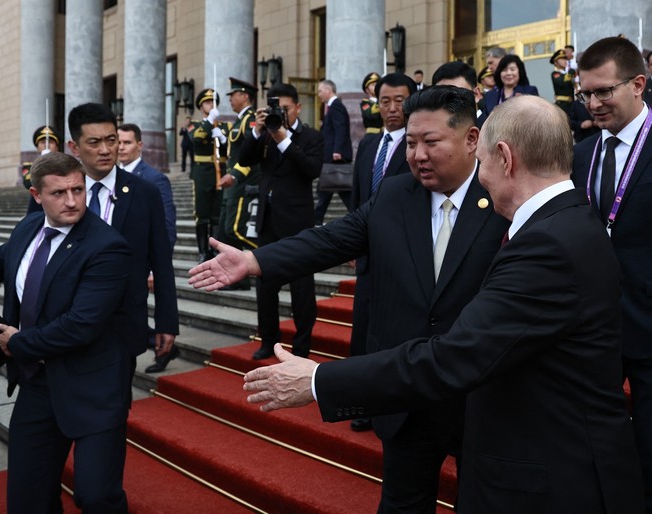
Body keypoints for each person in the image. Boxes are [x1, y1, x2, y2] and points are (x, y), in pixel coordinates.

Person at [232, 95, 644, 514]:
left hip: (546, 470)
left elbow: (458, 353)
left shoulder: (546, 243)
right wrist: (255, 260)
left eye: (482, 161)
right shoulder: (568, 222)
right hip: (481, 426)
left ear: (502, 157)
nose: (481, 175)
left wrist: (319, 380)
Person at [193, 87, 510, 512]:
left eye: (431, 142)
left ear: (472, 139)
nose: (417, 155)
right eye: (411, 143)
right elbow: (331, 239)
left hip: (477, 396)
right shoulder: (395, 195)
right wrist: (254, 260)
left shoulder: (503, 198)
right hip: (404, 392)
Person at [0, 152, 133, 513]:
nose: (72, 201)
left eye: (78, 190)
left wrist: (18, 342)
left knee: (96, 496)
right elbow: (5, 256)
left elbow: (81, 325)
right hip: (37, 382)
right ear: (36, 195)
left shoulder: (108, 246)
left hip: (92, 387)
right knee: (28, 496)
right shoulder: (29, 226)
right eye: (59, 193)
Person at [572, 36, 652, 512]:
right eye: (586, 93)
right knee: (592, 440)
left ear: (637, 84)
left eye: (604, 91)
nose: (594, 103)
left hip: (648, 323)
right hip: (590, 326)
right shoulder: (580, 154)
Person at [67, 103, 179, 376]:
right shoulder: (59, 190)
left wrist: (166, 322)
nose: (105, 150)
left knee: (116, 399)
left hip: (122, 325)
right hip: (65, 322)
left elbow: (161, 261)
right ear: (74, 147)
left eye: (111, 140)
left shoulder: (145, 193)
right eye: (94, 142)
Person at [347, 72, 415, 433]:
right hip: (367, 254)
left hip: (402, 255)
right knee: (362, 330)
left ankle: (389, 403)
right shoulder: (369, 144)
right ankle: (360, 401)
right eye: (384, 101)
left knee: (391, 334)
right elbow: (357, 199)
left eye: (399, 101)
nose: (391, 108)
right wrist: (352, 242)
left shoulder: (418, 146)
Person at [237, 82, 324, 360]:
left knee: (302, 288)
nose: (281, 113)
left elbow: (311, 170)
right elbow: (243, 159)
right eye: (276, 108)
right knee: (265, 286)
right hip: (268, 219)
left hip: (297, 221)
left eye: (285, 108)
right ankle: (268, 340)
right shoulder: (265, 134)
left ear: (298, 107)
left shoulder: (310, 136)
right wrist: (257, 130)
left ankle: (302, 346)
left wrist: (283, 139)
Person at [215, 77, 260, 291]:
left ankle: (266, 255)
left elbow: (252, 155)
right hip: (232, 183)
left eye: (233, 95)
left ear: (245, 96)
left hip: (242, 182)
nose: (230, 99)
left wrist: (234, 175)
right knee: (224, 233)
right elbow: (235, 151)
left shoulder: (251, 119)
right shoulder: (239, 120)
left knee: (235, 229)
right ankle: (237, 278)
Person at [117, 122, 177, 249]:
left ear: (139, 146)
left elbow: (167, 229)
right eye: (118, 142)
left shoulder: (155, 179)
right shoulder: (110, 176)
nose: (121, 147)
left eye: (127, 143)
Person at [189, 88, 228, 262]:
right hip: (202, 173)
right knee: (202, 214)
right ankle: (203, 251)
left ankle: (215, 250)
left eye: (213, 102)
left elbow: (231, 148)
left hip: (220, 172)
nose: (211, 105)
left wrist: (223, 139)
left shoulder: (224, 126)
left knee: (217, 214)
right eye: (207, 102)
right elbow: (196, 139)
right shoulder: (195, 125)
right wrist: (209, 121)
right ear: (201, 106)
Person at [314, 79, 353, 226]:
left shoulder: (336, 106)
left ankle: (316, 221)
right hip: (331, 158)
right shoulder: (332, 107)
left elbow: (340, 129)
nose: (318, 94)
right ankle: (316, 221)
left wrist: (337, 150)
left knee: (328, 192)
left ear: (328, 90)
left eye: (320, 91)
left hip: (335, 158)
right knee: (329, 192)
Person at [432, 60, 487, 128]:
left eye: (457, 94)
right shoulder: (433, 129)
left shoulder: (492, 127)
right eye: (442, 96)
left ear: (476, 94)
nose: (450, 102)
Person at [25, 125, 63, 214]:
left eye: (51, 142)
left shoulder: (64, 165)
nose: (46, 145)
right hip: (37, 208)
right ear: (37, 148)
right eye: (42, 142)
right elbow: (28, 183)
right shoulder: (29, 166)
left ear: (57, 147)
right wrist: (43, 162)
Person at [550, 49, 576, 114]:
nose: (564, 61)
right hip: (562, 104)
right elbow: (562, 82)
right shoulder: (555, 74)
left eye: (565, 59)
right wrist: (570, 72)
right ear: (556, 62)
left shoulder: (568, 73)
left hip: (572, 104)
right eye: (561, 59)